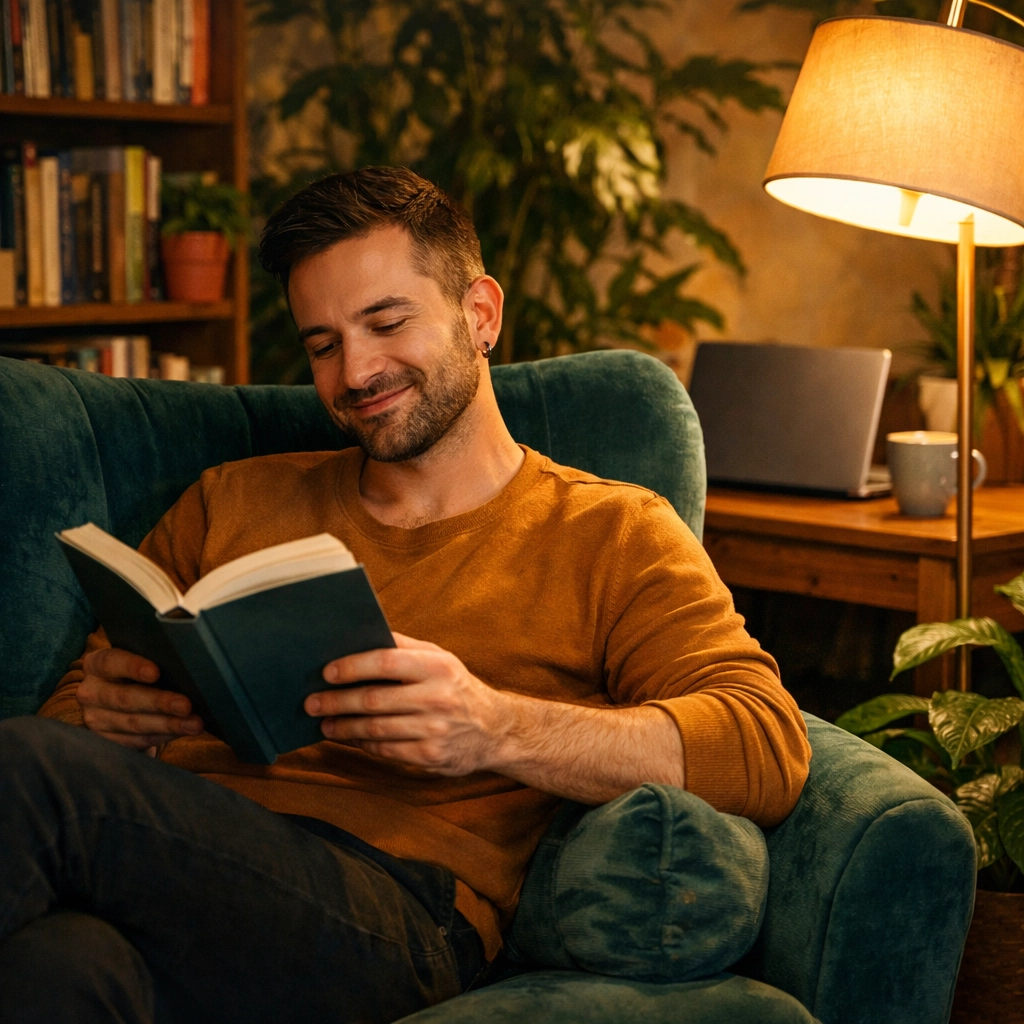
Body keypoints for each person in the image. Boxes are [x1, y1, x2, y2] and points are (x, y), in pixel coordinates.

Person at [0, 166, 810, 1024]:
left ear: (480, 314)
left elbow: (764, 743)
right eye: (322, 345)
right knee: (59, 968)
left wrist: (494, 727)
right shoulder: (229, 500)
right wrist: (108, 716)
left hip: (398, 912)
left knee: (35, 771)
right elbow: (68, 713)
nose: (355, 372)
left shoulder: (610, 531)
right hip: (177, 870)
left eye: (387, 323)